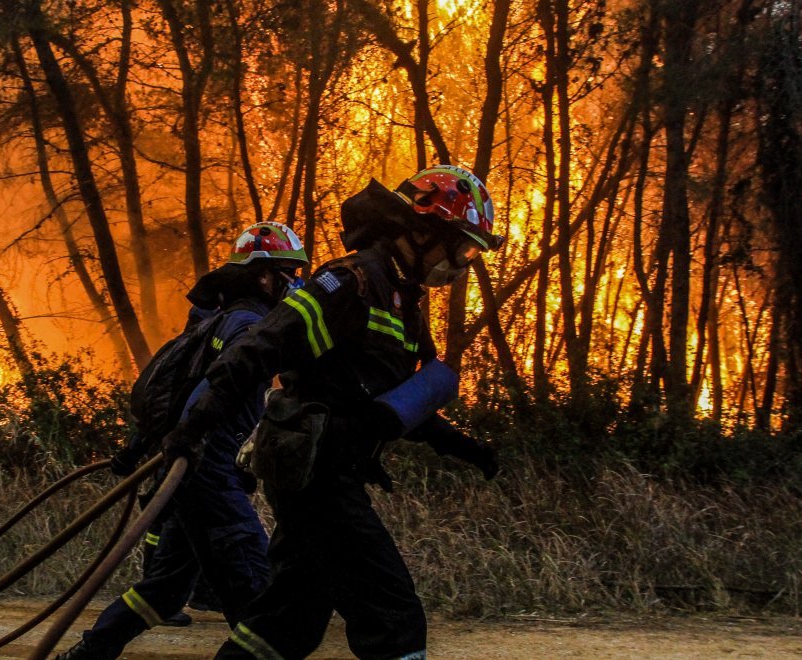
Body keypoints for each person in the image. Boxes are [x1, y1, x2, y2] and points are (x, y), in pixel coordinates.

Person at [161, 165, 503, 659]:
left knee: (287, 623)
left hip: (327, 469)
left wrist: (466, 449)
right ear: (423, 230)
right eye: (465, 247)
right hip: (316, 475)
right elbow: (257, 349)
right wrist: (194, 427)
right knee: (392, 616)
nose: (465, 264)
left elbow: (394, 403)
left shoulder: (404, 303)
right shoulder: (349, 282)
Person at [58, 222, 310, 659]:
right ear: (264, 275)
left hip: (190, 471)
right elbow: (206, 391)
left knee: (165, 590)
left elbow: (176, 393)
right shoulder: (249, 326)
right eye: (290, 272)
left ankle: (88, 654)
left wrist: (139, 448)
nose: (297, 283)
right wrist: (191, 438)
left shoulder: (217, 319)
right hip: (208, 474)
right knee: (256, 592)